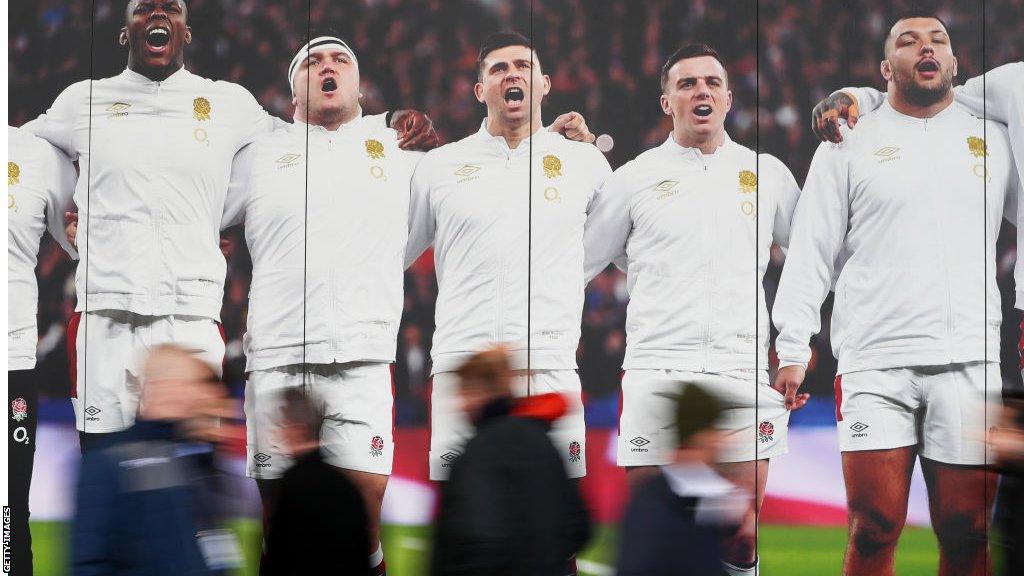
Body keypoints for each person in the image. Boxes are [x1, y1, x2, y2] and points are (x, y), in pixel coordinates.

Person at [24, 0, 437, 449]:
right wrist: (69, 220)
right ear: (125, 31)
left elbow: (307, 136)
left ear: (187, 31)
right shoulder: (84, 100)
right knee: (105, 461)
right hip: (106, 310)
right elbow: (27, 154)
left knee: (193, 465)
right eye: (144, 8)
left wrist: (388, 123)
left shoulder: (230, 104)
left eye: (171, 9)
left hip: (192, 314)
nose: (158, 15)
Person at [773, 13, 1019, 575]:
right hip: (874, 362)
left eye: (938, 41)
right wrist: (792, 345)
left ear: (955, 65)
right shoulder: (845, 141)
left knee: (969, 531)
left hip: (972, 360)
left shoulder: (994, 139)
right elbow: (811, 249)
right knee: (873, 527)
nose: (925, 48)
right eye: (908, 42)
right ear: (887, 69)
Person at [582, 44, 802, 576]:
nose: (700, 90)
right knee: (654, 533)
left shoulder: (767, 173)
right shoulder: (633, 178)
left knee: (741, 537)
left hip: (741, 370)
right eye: (686, 84)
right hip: (658, 369)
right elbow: (582, 261)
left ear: (728, 98)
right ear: (667, 102)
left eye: (711, 82)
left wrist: (795, 348)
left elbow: (810, 267)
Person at [222, 32, 427, 576]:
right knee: (279, 522)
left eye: (341, 59)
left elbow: (480, 174)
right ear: (294, 92)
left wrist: (551, 139)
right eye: (312, 62)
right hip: (278, 360)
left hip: (362, 358)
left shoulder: (398, 150)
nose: (327, 66)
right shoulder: (260, 153)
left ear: (360, 86)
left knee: (362, 520)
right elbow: (197, 207)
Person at [406, 31, 613, 482]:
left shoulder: (585, 164)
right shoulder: (440, 167)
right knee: (466, 524)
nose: (512, 74)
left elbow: (623, 246)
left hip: (548, 363)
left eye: (524, 66)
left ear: (544, 85)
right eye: (499, 68)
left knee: (554, 530)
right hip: (466, 368)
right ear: (481, 90)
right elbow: (391, 252)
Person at [73, 345, 242, 576]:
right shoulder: (110, 458)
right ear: (163, 385)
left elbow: (212, 547)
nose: (199, 394)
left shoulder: (194, 458)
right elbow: (89, 559)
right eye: (192, 383)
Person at [431, 346, 591, 576]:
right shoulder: (543, 441)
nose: (461, 404)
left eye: (466, 392)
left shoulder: (476, 456)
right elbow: (578, 527)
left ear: (481, 393)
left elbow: (473, 542)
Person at [7, 126, 78, 575]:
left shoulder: (32, 153)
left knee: (10, 511)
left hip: (11, 366)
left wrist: (77, 230)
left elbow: (78, 237)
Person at [617, 384, 748, 576]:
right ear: (704, 435)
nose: (724, 440)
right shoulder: (701, 497)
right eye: (716, 429)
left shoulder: (650, 496)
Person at [262, 388, 370, 576]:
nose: (279, 434)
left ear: (298, 428)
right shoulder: (346, 485)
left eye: (283, 424)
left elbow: (281, 557)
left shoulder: (292, 486)